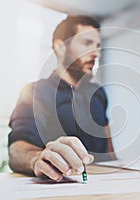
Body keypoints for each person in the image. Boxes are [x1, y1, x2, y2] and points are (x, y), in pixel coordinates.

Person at [8, 15, 115, 182]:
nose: (96, 53)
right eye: (87, 43)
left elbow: (109, 150)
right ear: (60, 47)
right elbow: (17, 150)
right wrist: (37, 159)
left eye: (98, 46)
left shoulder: (99, 93)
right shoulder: (35, 92)